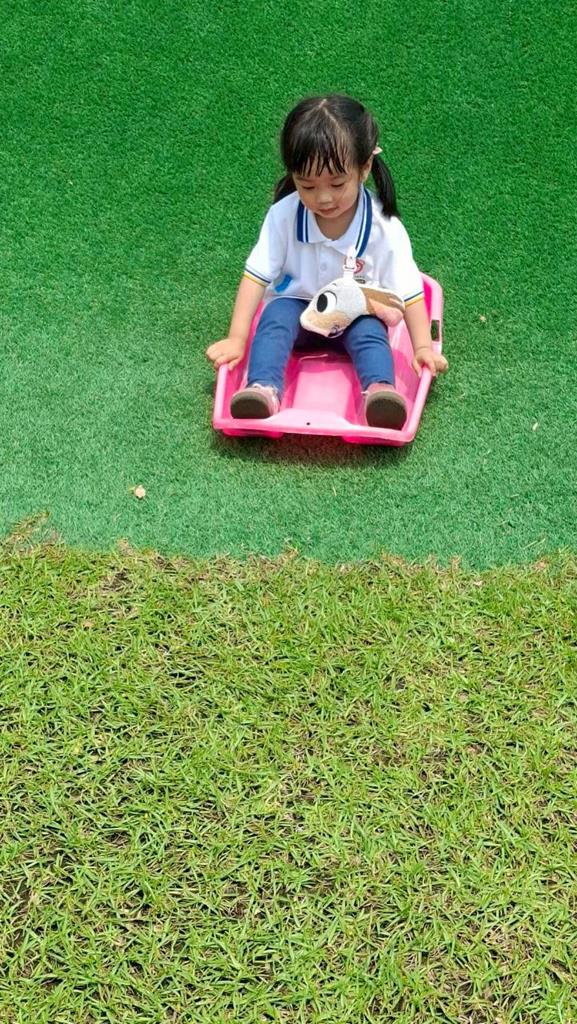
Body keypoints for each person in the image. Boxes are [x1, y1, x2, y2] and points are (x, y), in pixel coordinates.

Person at [206, 94, 448, 429]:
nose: (323, 197)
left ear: (365, 168)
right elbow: (255, 276)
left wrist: (422, 346)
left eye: (337, 184)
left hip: (355, 312)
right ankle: (262, 390)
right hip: (297, 308)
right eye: (307, 185)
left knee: (371, 333)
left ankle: (380, 392)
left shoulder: (383, 227)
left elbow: (409, 289)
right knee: (274, 320)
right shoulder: (284, 216)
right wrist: (237, 338)